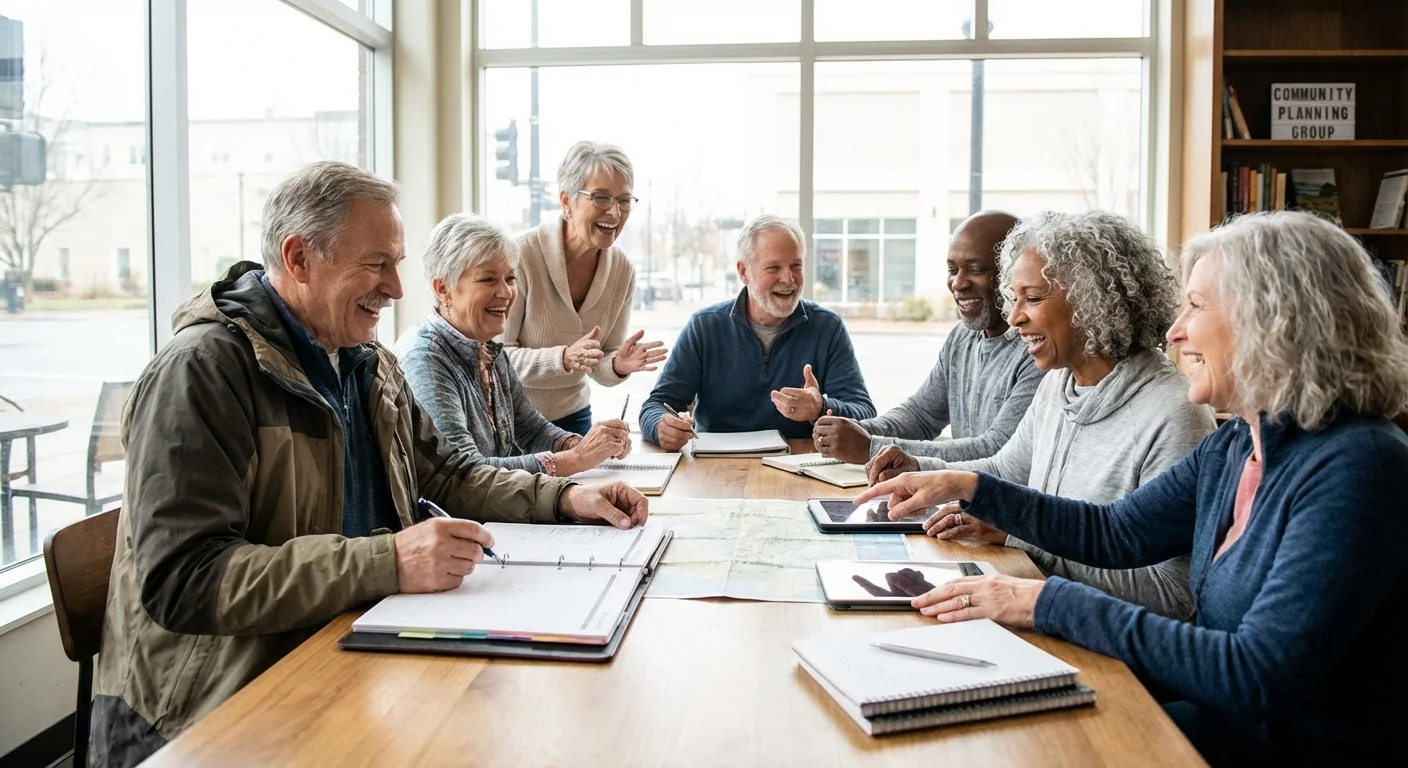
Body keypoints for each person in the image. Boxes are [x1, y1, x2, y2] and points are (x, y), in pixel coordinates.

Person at [92, 162, 650, 767]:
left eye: (397, 264)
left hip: (346, 647)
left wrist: (563, 499)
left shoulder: (367, 362)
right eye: (376, 264)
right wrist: (387, 560)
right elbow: (185, 578)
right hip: (213, 708)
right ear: (300, 258)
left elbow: (445, 475)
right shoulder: (202, 371)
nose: (397, 288)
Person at [858, 210, 1408, 764]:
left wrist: (1047, 601)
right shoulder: (1237, 443)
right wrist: (974, 486)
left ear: (1273, 320)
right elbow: (1115, 531)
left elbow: (1253, 675)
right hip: (1220, 725)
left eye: (1197, 306)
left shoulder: (1359, 467)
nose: (1175, 330)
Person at [867, 211, 1215, 619]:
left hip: (1099, 648)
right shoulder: (1059, 383)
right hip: (1040, 612)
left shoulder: (1174, 415)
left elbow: (1172, 596)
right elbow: (1005, 468)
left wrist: (1020, 539)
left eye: (1032, 299)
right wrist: (923, 471)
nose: (1014, 319)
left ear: (1093, 302)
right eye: (1013, 298)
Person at [396, 213, 631, 476]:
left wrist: (584, 444)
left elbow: (531, 428)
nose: (506, 293)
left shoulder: (487, 349)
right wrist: (576, 458)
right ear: (443, 289)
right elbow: (466, 471)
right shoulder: (425, 359)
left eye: (510, 278)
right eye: (488, 279)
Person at [812, 211, 1044, 464]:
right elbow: (921, 415)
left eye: (976, 269)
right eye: (952, 270)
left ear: (1015, 273)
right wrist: (853, 431)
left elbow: (998, 451)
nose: (958, 283)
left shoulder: (1036, 350)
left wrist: (870, 447)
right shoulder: (962, 337)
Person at [639, 214, 875, 448]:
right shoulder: (705, 327)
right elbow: (656, 405)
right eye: (773, 267)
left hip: (800, 468)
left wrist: (820, 408)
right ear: (743, 272)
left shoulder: (827, 328)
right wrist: (662, 426)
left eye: (796, 265)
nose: (788, 278)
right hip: (717, 470)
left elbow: (865, 414)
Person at [502, 140, 667, 435]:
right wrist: (563, 359)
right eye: (601, 198)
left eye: (624, 201)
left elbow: (600, 359)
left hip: (574, 419)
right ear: (566, 201)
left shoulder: (622, 270)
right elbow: (497, 356)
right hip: (514, 420)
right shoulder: (522, 255)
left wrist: (618, 364)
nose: (615, 214)